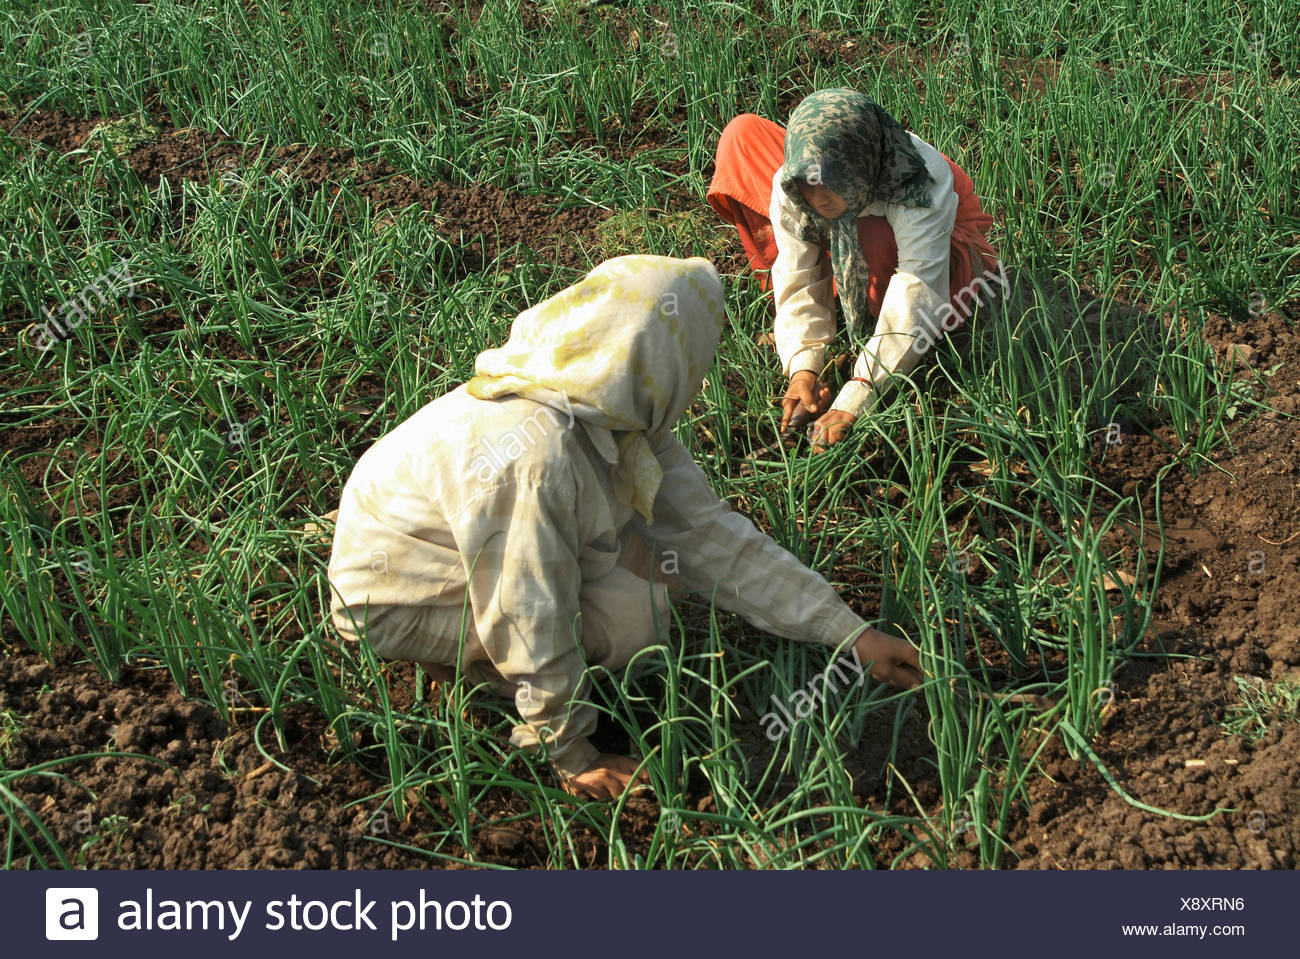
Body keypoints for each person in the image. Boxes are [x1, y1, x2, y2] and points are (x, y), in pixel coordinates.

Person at [326, 255, 922, 800]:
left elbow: (711, 538)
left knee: (645, 605)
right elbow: (526, 609)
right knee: (613, 617)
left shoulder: (613, 411)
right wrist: (573, 754)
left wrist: (849, 632)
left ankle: (490, 664)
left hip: (474, 545)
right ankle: (478, 676)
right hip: (391, 592)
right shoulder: (533, 456)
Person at [708, 88, 1000, 449]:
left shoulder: (919, 180)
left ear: (860, 169)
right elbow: (798, 271)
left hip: (940, 265)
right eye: (807, 188)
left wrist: (861, 390)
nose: (817, 201)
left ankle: (868, 315)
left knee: (873, 238)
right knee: (744, 135)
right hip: (851, 237)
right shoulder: (796, 182)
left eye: (829, 187)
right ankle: (836, 303)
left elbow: (919, 285)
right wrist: (803, 365)